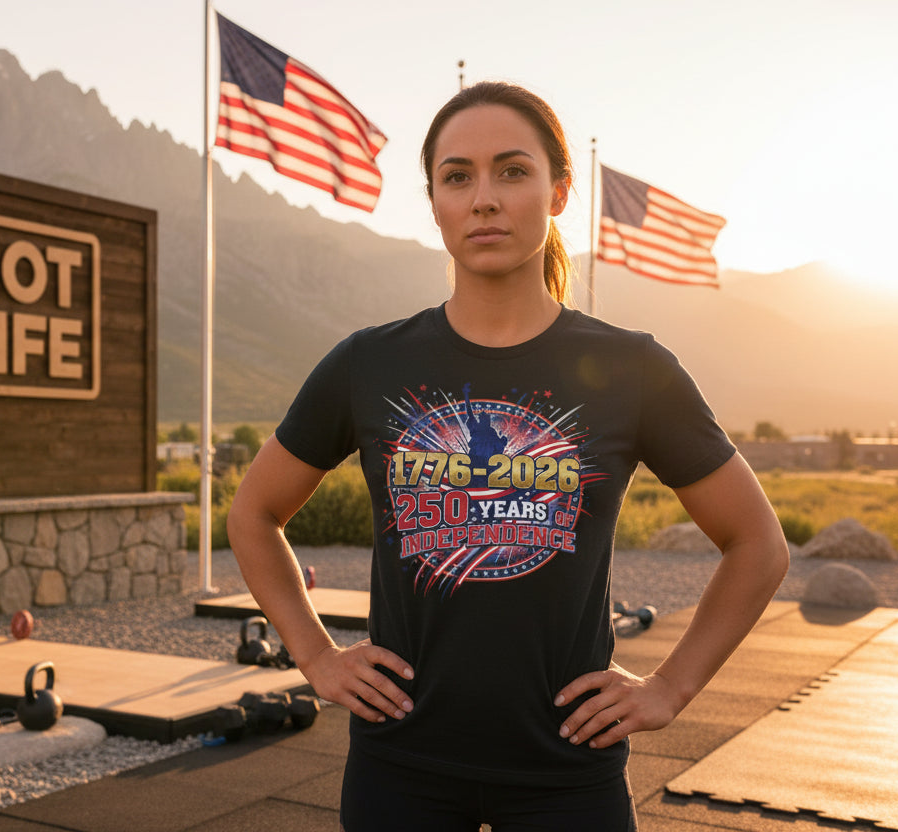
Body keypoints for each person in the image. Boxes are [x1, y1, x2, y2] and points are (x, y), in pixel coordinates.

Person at [226, 80, 789, 832]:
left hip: (567, 772)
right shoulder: (368, 364)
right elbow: (254, 514)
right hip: (400, 767)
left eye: (512, 171)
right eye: (458, 176)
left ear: (558, 192)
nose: (483, 198)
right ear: (434, 202)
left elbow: (758, 544)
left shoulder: (632, 368)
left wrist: (669, 688)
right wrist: (318, 657)